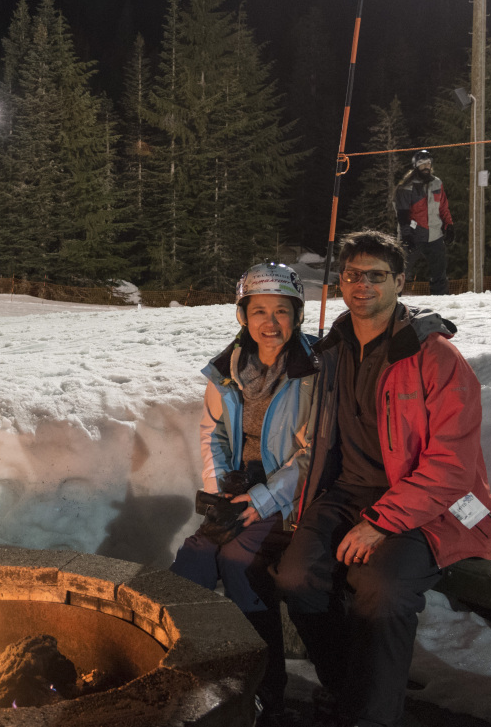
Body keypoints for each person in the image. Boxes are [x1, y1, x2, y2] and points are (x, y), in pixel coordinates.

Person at [273, 230, 491, 727]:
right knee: (295, 577)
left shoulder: (435, 357)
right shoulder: (334, 349)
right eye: (352, 275)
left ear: (400, 282)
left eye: (376, 276)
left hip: (427, 505)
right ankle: (351, 692)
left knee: (382, 588)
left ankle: (370, 717)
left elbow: (452, 466)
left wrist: (382, 522)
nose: (362, 285)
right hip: (351, 490)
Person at [170, 262, 316, 726]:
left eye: (281, 311)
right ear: (242, 316)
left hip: (285, 496)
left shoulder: (312, 373)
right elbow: (212, 433)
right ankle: (177, 667)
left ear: (297, 315)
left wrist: (263, 500)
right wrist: (218, 492)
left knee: (238, 562)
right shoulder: (228, 369)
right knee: (194, 559)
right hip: (237, 488)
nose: (270, 323)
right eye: (258, 312)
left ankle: (264, 691)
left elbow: (313, 454)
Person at [395, 150, 455, 295]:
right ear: (416, 166)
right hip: (414, 235)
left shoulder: (437, 183)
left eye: (428, 163)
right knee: (400, 271)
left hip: (435, 235)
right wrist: (406, 235)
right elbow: (403, 215)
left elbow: (443, 207)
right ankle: (392, 301)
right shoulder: (406, 187)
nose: (426, 166)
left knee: (439, 273)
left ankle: (440, 301)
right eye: (422, 164)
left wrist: (449, 225)